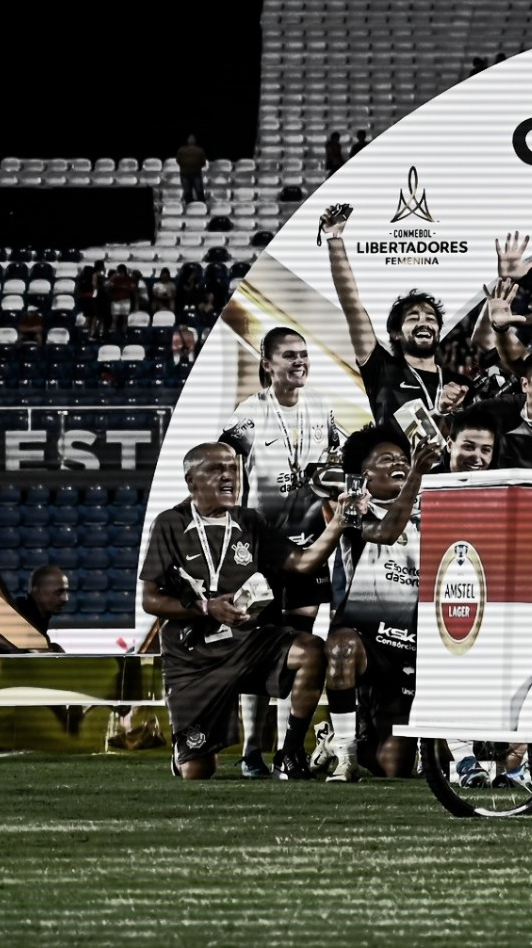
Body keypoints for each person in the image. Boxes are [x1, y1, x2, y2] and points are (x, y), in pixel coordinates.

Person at [140, 443, 348, 780]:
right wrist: (205, 607)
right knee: (198, 772)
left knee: (311, 650)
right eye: (215, 469)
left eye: (232, 468)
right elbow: (150, 599)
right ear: (192, 481)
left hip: (246, 643)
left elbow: (303, 562)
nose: (228, 476)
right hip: (194, 656)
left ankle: (290, 752)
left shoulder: (250, 521)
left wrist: (338, 522)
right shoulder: (169, 524)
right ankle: (186, 750)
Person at [219, 327, 345, 776]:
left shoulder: (322, 408)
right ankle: (251, 750)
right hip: (262, 554)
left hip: (310, 549)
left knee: (300, 648)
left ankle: (285, 752)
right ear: (268, 363)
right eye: (289, 356)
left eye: (304, 355)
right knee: (259, 650)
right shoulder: (248, 416)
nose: (299, 362)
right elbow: (221, 471)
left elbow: (343, 461)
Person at [315, 425, 441, 782]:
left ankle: (342, 735)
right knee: (339, 647)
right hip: (366, 639)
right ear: (363, 475)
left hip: (414, 644)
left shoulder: (435, 511)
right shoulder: (350, 512)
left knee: (394, 767)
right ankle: (345, 754)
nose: (399, 463)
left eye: (403, 458)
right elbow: (386, 533)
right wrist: (416, 472)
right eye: (386, 460)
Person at [320, 207, 467, 428]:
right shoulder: (381, 368)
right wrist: (334, 239)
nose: (423, 322)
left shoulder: (457, 382)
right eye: (413, 318)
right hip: (394, 461)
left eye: (430, 318)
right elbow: (351, 305)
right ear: (396, 333)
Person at [11, 565, 68, 649]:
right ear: (37, 592)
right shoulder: (16, 619)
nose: (65, 599)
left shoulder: (38, 621)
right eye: (59, 592)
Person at [175, 134, 207, 205]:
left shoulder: (199, 150)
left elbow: (203, 163)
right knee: (188, 193)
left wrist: (189, 165)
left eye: (192, 138)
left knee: (199, 193)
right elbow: (178, 161)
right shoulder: (181, 150)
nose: (191, 140)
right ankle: (190, 209)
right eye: (190, 138)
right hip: (186, 175)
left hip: (194, 174)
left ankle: (202, 208)